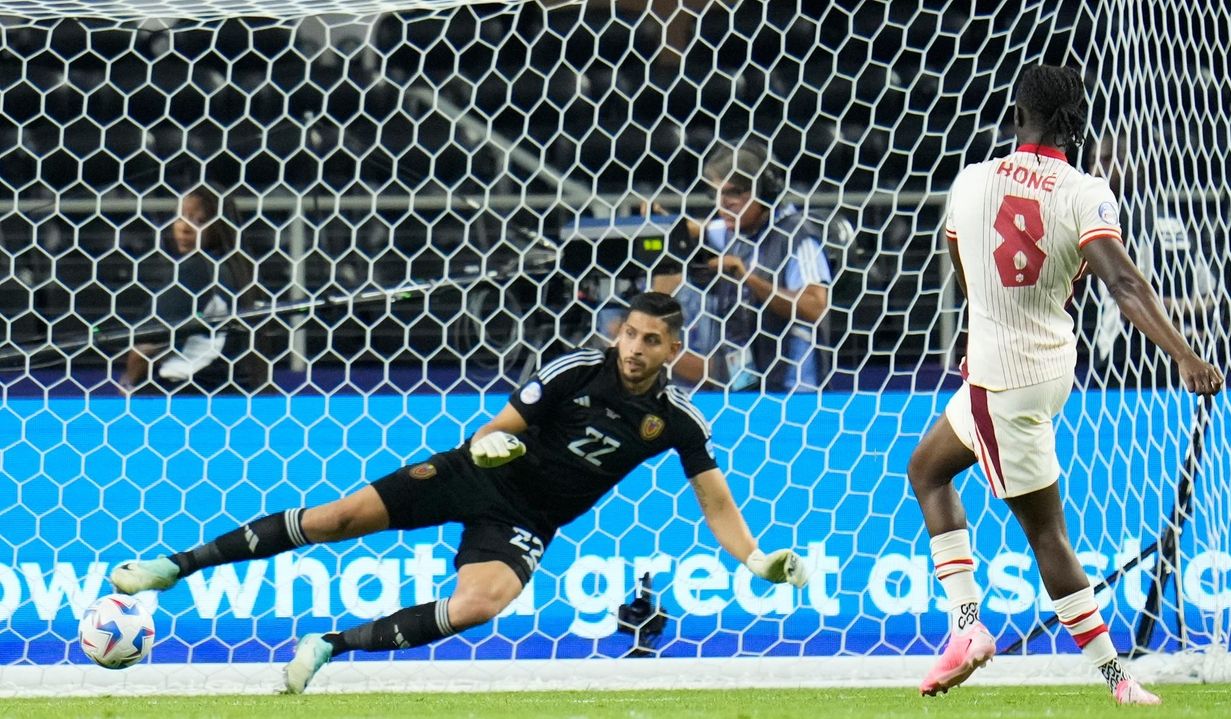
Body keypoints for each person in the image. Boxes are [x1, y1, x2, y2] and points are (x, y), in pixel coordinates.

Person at [109, 291, 810, 694]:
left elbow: (714, 499)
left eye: (650, 340)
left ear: (669, 350)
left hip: (529, 517)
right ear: (616, 332)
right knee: (335, 517)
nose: (632, 348)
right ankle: (176, 566)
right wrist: (492, 444)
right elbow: (492, 432)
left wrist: (754, 560)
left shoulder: (679, 418)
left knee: (482, 603)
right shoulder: (573, 370)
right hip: (475, 473)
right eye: (627, 333)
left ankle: (327, 644)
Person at [906, 65, 1223, 705]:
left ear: (1016, 116)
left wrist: (997, 310)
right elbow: (1125, 285)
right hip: (1043, 368)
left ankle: (1118, 679)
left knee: (1047, 536)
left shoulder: (970, 183)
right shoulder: (1086, 192)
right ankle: (965, 628)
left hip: (1001, 379)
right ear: (1076, 122)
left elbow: (966, 277)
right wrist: (1184, 356)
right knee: (928, 470)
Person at [644, 140, 832, 391]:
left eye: (734, 192)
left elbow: (816, 307)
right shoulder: (733, 232)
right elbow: (694, 229)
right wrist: (659, 219)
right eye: (717, 194)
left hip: (797, 391)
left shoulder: (797, 235)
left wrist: (748, 279)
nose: (723, 204)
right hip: (748, 388)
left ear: (765, 191)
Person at [1089, 130, 1220, 386]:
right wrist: (1182, 312)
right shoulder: (1174, 219)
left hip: (1122, 363)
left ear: (1136, 165)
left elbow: (1130, 300)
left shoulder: (1114, 222)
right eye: (1093, 159)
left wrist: (1166, 307)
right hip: (1177, 363)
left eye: (1106, 160)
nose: (1095, 169)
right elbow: (1210, 299)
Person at [116, 186, 265, 395]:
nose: (185, 228)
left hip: (183, 392)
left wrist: (128, 382)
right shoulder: (239, 270)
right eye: (180, 217)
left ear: (218, 226)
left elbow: (148, 346)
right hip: (228, 390)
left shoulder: (197, 269)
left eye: (199, 221)